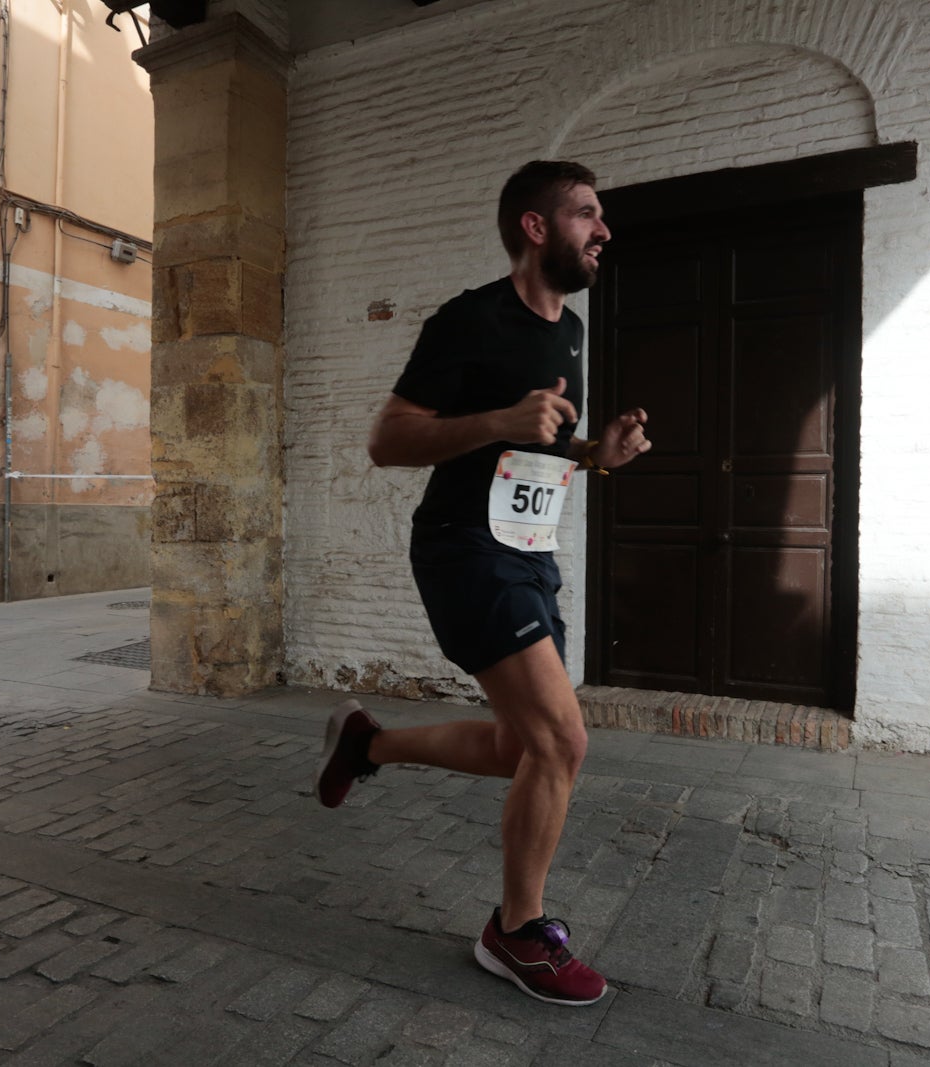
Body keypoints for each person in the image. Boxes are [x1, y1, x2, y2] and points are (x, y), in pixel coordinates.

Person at [313, 160, 651, 1007]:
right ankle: (517, 931)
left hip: (530, 553)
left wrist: (592, 456)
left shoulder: (570, 329)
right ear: (536, 229)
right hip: (465, 549)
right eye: (585, 215)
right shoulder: (468, 319)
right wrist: (499, 421)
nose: (602, 229)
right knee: (562, 742)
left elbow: (537, 444)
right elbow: (388, 439)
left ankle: (368, 743)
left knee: (520, 747)